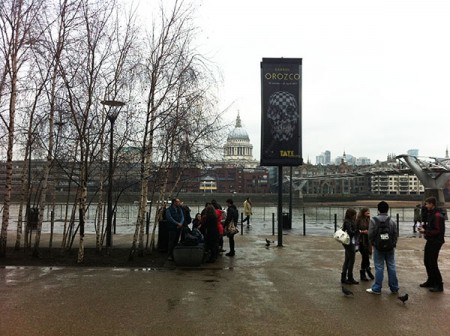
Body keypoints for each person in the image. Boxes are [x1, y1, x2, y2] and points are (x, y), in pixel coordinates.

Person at [366, 201, 399, 295]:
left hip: (378, 246)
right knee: (391, 266)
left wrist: (372, 243)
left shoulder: (373, 220)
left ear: (378, 209)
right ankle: (394, 288)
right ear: (387, 209)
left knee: (379, 267)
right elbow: (395, 234)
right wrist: (393, 244)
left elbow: (370, 234)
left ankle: (377, 288)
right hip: (390, 247)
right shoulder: (392, 221)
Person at [418, 196, 445, 292]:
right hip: (431, 240)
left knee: (432, 262)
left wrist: (425, 231)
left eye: (427, 204)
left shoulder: (437, 216)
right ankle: (431, 280)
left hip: (436, 241)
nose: (425, 205)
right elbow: (431, 226)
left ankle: (439, 284)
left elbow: (437, 231)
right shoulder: (432, 214)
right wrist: (425, 228)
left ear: (432, 204)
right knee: (427, 261)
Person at [340, 208, 359, 285]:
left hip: (347, 242)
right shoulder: (348, 222)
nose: (356, 216)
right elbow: (351, 232)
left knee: (347, 259)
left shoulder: (347, 221)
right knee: (351, 260)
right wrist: (357, 231)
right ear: (352, 215)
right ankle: (350, 277)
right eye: (355, 215)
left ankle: (344, 277)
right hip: (349, 242)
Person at [356, 207, 374, 281]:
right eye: (367, 211)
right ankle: (364, 272)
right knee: (365, 257)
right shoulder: (359, 220)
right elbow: (356, 229)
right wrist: (362, 232)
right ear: (363, 212)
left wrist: (369, 231)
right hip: (361, 241)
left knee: (367, 256)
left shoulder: (369, 219)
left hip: (368, 241)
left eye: (369, 211)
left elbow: (371, 229)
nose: (368, 212)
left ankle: (367, 270)